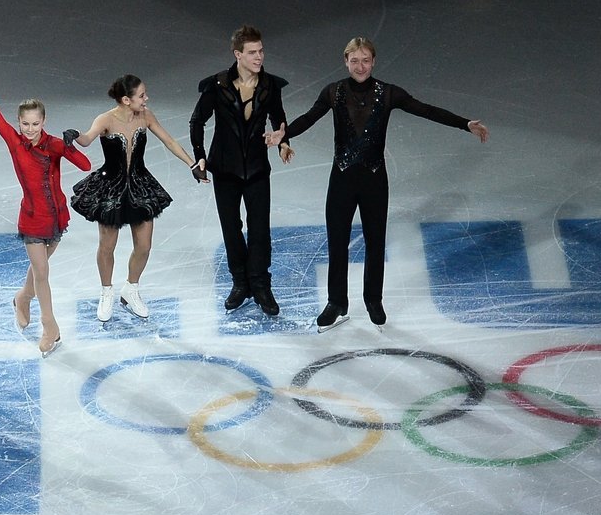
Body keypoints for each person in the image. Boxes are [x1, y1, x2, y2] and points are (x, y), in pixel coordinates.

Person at [269, 37, 489, 329]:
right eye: (354, 60)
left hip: (374, 179)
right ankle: (337, 302)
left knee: (375, 241)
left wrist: (464, 123)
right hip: (343, 178)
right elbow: (308, 118)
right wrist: (283, 136)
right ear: (346, 61)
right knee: (337, 241)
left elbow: (426, 110)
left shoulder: (388, 93)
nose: (360, 66)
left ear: (373, 62)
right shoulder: (333, 92)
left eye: (365, 60)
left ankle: (373, 299)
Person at [0, 68, 90, 354]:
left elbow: (85, 166)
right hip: (33, 219)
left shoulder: (54, 145)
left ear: (43, 121)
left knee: (39, 269)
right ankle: (50, 327)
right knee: (42, 273)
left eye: (35, 123)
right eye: (25, 123)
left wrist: (70, 145)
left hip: (58, 217)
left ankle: (23, 297)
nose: (29, 129)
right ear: (19, 122)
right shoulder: (15, 143)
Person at [67, 74, 200, 322]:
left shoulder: (146, 116)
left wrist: (192, 164)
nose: (146, 99)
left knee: (145, 246)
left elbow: (169, 140)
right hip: (110, 188)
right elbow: (86, 140)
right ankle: (107, 292)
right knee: (107, 246)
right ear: (126, 100)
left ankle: (131, 289)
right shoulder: (105, 119)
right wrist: (75, 135)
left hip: (140, 185)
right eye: (141, 95)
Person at [188, 25, 293, 315]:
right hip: (225, 168)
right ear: (238, 54)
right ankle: (240, 283)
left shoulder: (270, 85)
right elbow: (197, 121)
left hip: (258, 167)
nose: (259, 57)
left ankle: (260, 284)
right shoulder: (217, 85)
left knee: (260, 228)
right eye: (252, 52)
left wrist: (283, 143)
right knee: (232, 227)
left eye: (261, 51)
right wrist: (200, 156)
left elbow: (279, 120)